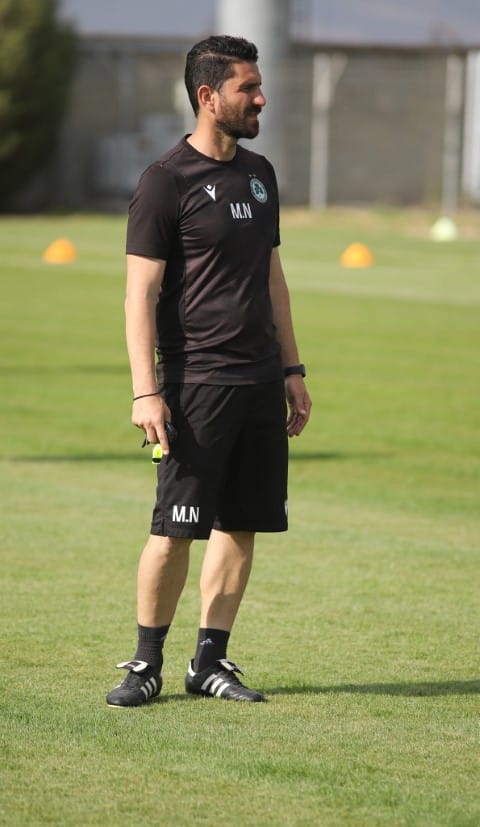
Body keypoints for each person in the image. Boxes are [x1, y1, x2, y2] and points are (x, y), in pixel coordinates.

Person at [106, 34, 311, 707]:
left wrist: (291, 367)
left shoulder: (260, 173)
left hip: (259, 382)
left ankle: (210, 662)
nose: (261, 98)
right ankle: (145, 664)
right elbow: (140, 295)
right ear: (207, 96)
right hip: (194, 386)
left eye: (259, 85)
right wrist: (145, 390)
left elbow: (272, 278)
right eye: (247, 88)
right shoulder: (165, 181)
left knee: (240, 524)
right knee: (174, 529)